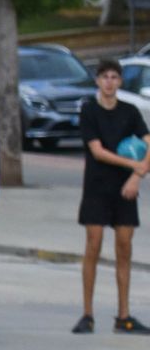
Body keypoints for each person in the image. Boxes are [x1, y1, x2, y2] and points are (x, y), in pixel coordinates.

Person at [73, 58, 150, 334]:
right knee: (93, 246)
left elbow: (148, 142)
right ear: (97, 81)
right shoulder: (89, 110)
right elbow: (98, 151)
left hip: (124, 190)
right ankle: (87, 313)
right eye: (104, 77)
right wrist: (135, 165)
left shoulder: (129, 112)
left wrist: (137, 176)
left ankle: (124, 315)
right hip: (97, 188)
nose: (109, 82)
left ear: (120, 82)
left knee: (124, 248)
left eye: (114, 77)